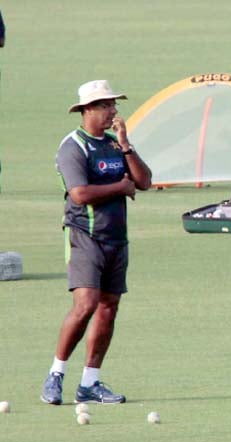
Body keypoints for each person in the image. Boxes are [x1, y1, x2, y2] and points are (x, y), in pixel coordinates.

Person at [40, 80, 152, 405]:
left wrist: (127, 144)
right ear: (87, 109)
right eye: (105, 105)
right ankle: (56, 373)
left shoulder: (116, 145)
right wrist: (120, 187)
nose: (113, 111)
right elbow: (80, 194)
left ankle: (90, 381)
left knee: (108, 307)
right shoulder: (73, 146)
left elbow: (144, 182)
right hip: (85, 235)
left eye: (113, 105)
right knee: (86, 304)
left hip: (117, 238)